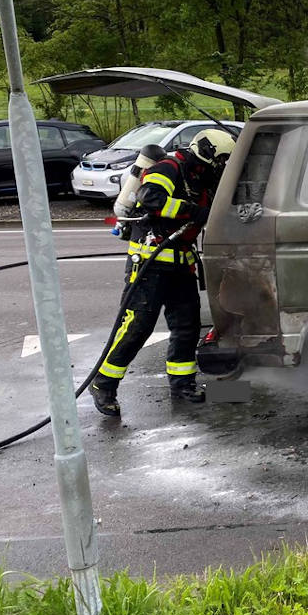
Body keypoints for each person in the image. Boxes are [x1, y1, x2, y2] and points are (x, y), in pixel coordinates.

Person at [89, 128, 236, 418]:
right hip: (149, 261)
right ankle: (103, 385)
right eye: (220, 161)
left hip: (181, 263)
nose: (221, 168)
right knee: (137, 326)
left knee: (186, 325)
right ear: (206, 153)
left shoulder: (202, 180)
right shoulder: (170, 167)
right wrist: (191, 210)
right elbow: (150, 198)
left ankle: (182, 384)